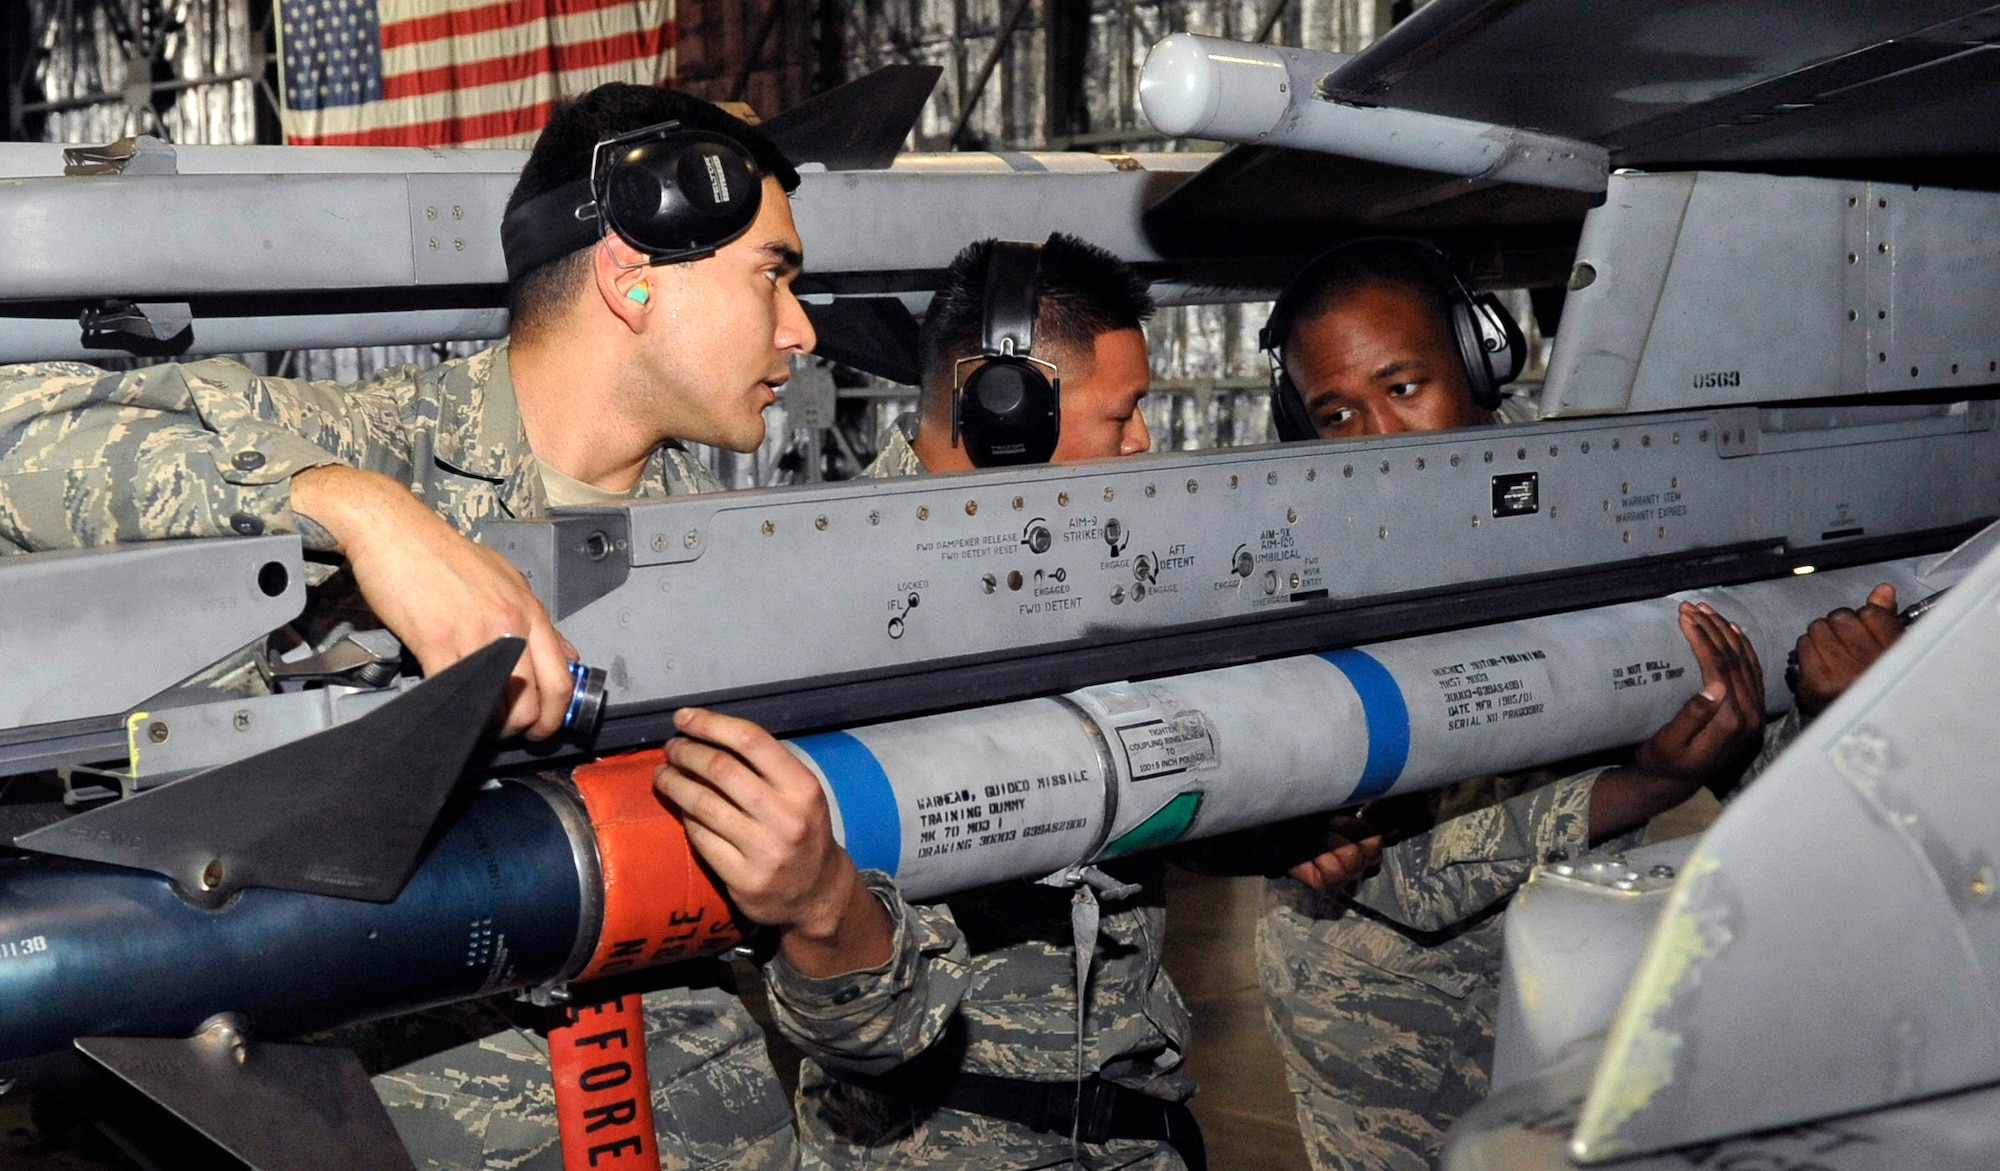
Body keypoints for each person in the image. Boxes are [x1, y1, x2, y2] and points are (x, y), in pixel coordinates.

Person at [0, 84, 822, 1170]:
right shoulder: (371, 446)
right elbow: (20, 433)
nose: (802, 328)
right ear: (631, 276)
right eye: (773, 274)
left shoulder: (747, 562)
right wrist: (359, 511)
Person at [656, 235, 1204, 1171]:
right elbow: (834, 987)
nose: (1143, 442)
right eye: (1122, 414)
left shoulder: (1100, 566)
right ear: (1009, 408)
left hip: (1132, 1128)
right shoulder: (826, 604)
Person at [1252, 238, 1771, 1171]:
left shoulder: (1597, 495)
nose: (1380, 438)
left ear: (1481, 355)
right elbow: (1404, 863)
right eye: (1337, 414)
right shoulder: (1300, 564)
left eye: (1404, 387)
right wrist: (1646, 784)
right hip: (1388, 1021)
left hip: (1578, 977)